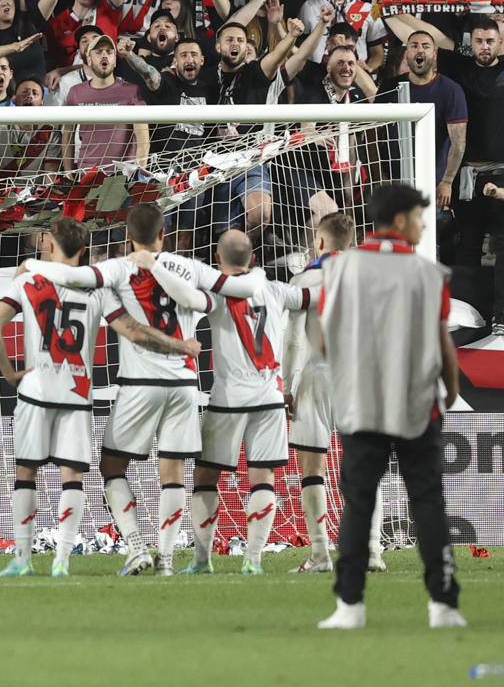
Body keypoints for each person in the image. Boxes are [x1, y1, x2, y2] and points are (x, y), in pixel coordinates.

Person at [26, 203, 257, 576]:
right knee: (174, 473)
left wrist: (33, 266)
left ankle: (136, 546)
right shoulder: (185, 267)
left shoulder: (119, 267)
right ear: (163, 234)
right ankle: (166, 560)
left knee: (112, 466)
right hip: (184, 383)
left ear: (128, 238)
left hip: (140, 384)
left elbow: (77, 277)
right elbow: (231, 289)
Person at [315, 182, 464, 630]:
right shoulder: (428, 273)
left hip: (361, 405)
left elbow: (324, 339)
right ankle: (443, 605)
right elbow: (443, 343)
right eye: (420, 217)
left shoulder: (340, 269)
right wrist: (450, 389)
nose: (423, 224)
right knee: (427, 503)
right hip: (418, 405)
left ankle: (350, 607)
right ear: (400, 220)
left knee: (359, 503)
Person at [152, 230, 310, 576]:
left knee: (206, 476)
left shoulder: (217, 293)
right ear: (252, 259)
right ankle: (252, 560)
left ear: (218, 261)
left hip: (229, 399)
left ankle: (201, 560)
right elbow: (314, 298)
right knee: (262, 476)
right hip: (270, 396)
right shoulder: (278, 290)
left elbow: (187, 299)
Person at [0, 217, 106, 577]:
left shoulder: (28, 280)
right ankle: (62, 560)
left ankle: (22, 559)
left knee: (26, 473)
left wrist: (8, 374)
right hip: (77, 389)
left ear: (50, 245)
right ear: (83, 250)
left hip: (36, 389)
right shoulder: (97, 287)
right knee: (73, 476)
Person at [284, 211, 362, 574]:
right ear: (352, 243)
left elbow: (293, 340)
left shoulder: (305, 277)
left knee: (312, 465)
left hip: (317, 374)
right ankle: (372, 551)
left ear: (319, 242)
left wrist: (286, 386)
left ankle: (319, 554)